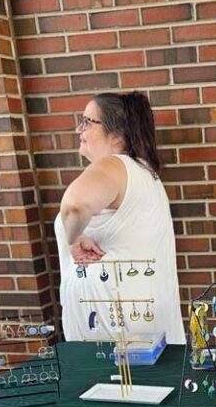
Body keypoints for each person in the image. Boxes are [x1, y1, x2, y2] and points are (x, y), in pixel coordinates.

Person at [55, 92, 184, 345]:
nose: (79, 129)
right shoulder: (140, 173)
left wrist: (74, 238)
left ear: (117, 137)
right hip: (124, 335)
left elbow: (74, 207)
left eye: (87, 122)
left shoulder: (115, 166)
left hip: (119, 340)